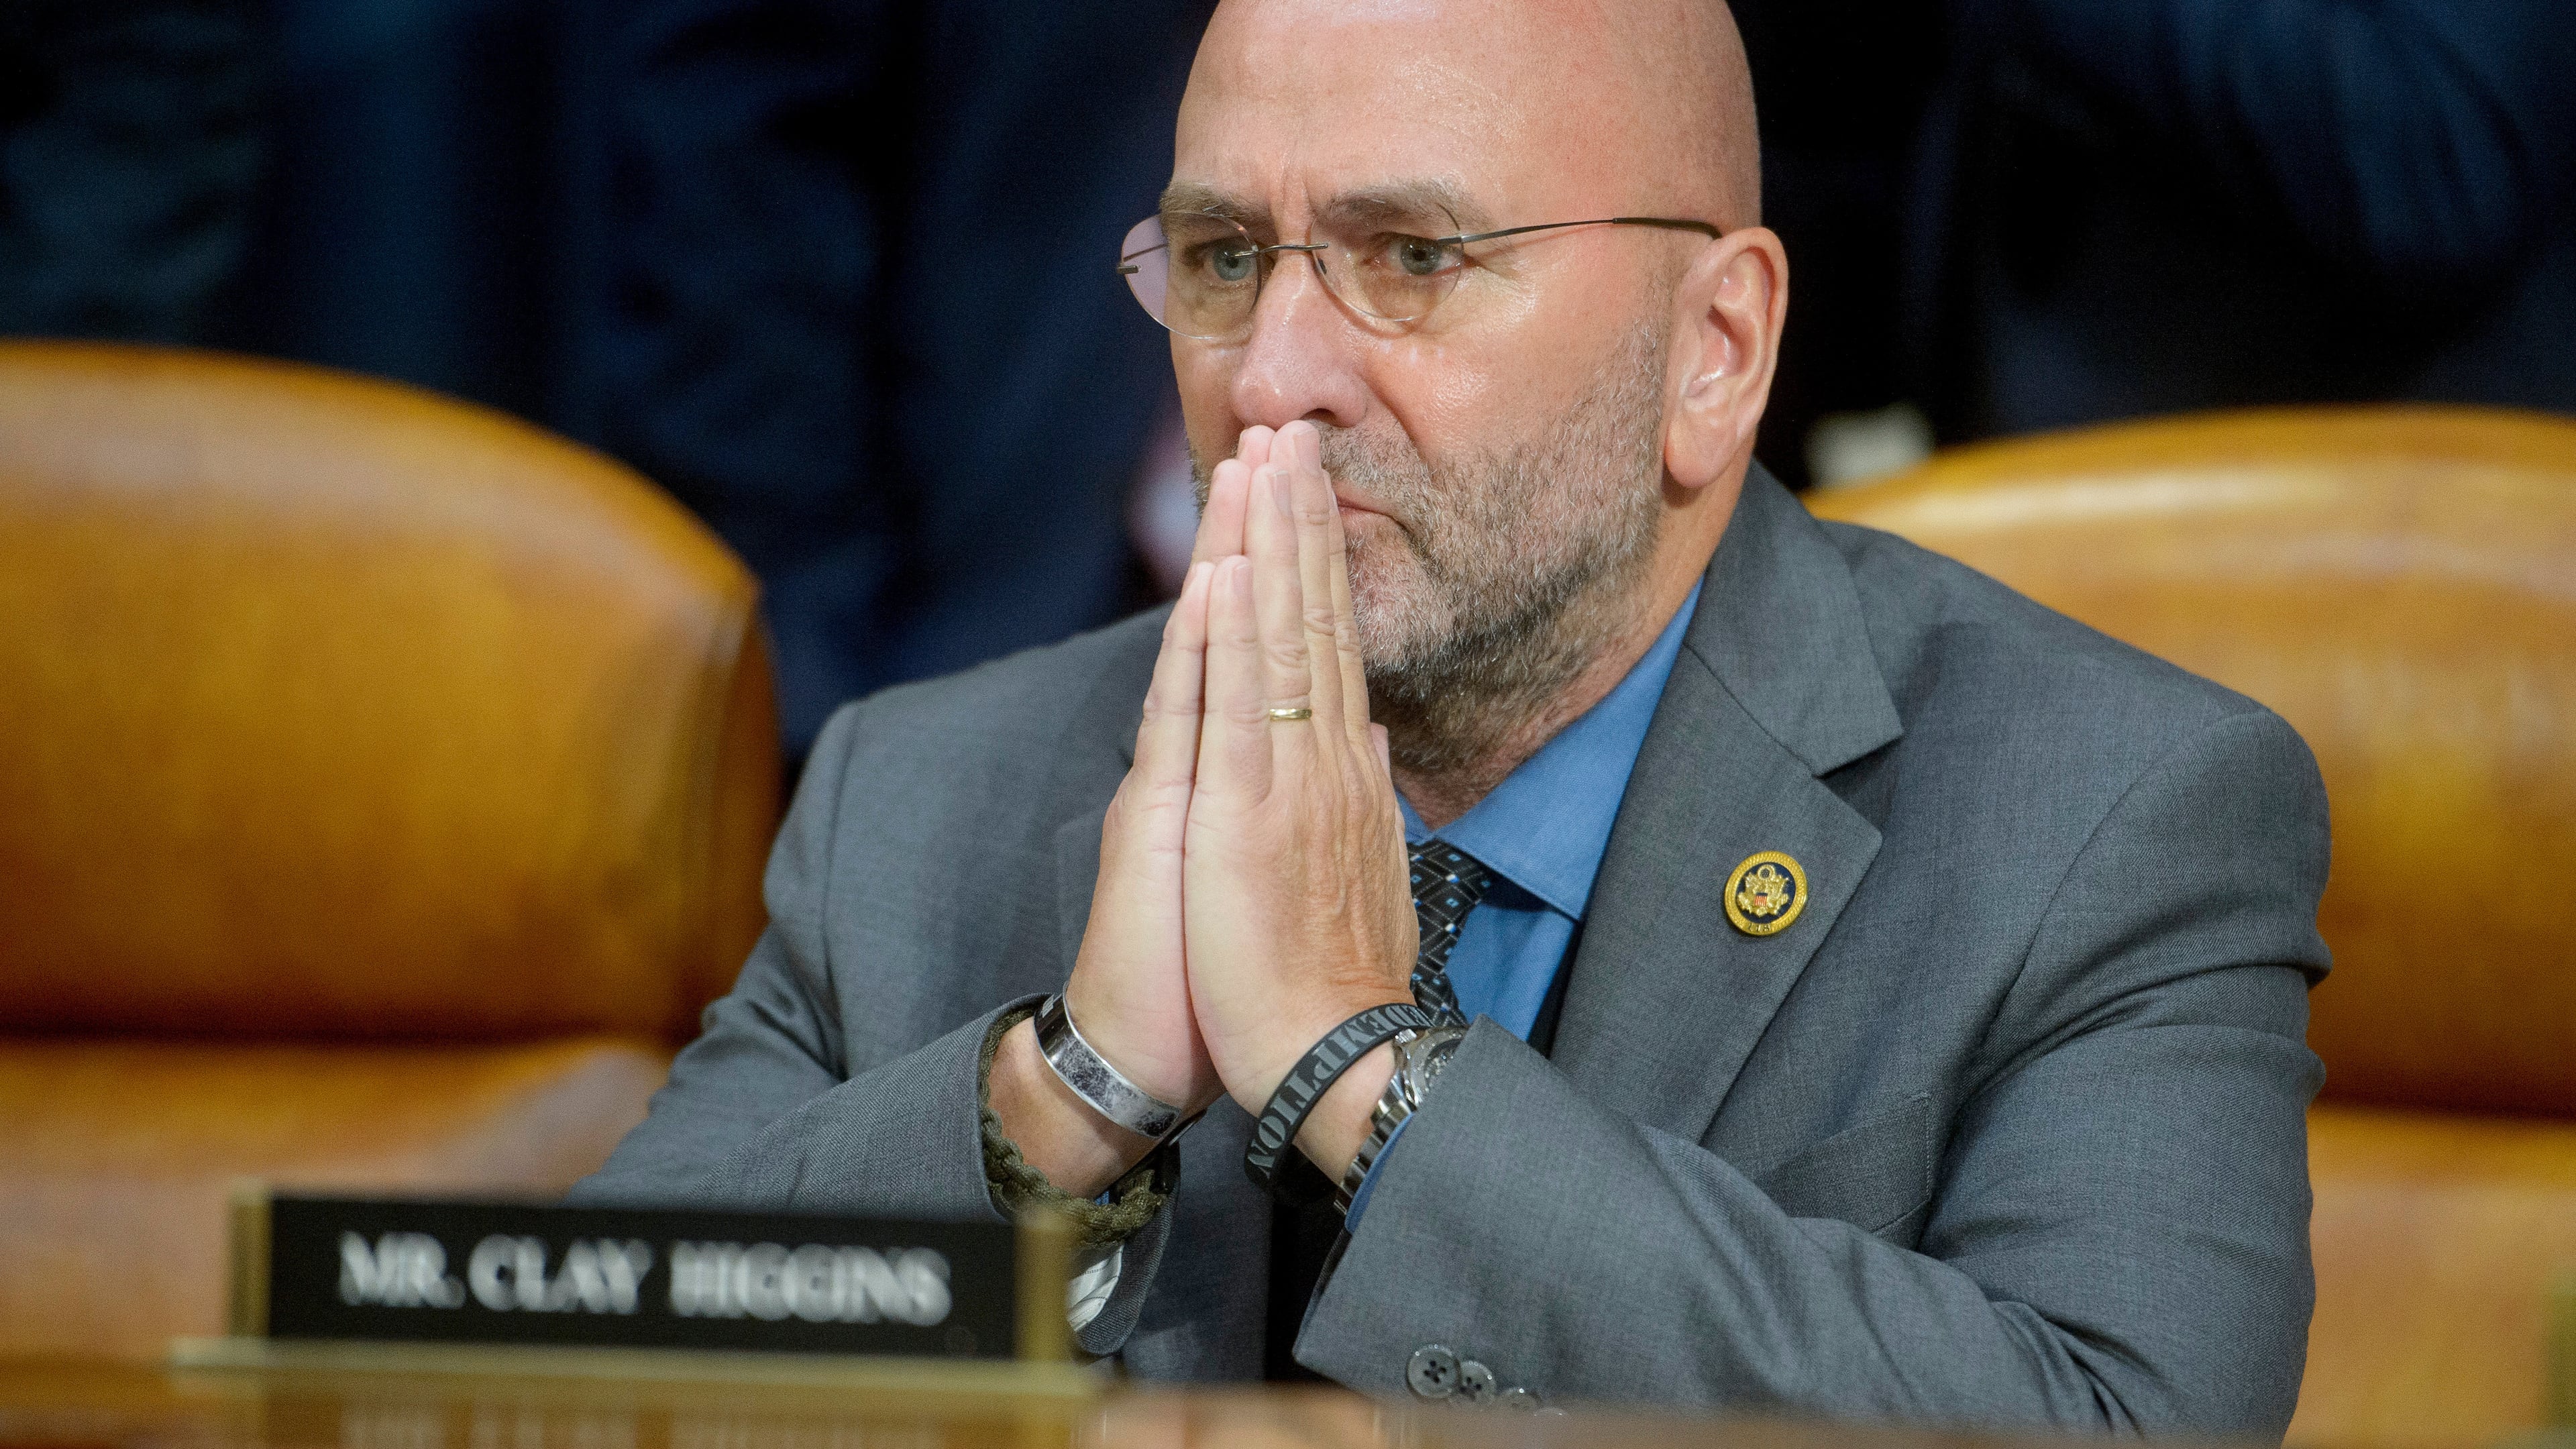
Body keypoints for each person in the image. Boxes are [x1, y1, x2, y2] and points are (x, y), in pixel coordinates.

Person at [574, 0, 2331, 1431]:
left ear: (1713, 347)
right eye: (1219, 257)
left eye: (1410, 256)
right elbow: (559, 1388)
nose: (1271, 380)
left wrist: (1368, 1070)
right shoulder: (924, 794)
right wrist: (1071, 1098)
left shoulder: (2109, 815)